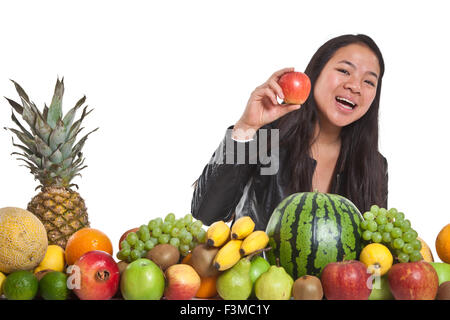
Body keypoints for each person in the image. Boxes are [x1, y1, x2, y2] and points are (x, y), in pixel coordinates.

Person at [191, 34, 388, 231]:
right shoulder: (267, 140)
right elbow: (207, 213)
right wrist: (246, 127)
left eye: (369, 82)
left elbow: (373, 248)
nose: (355, 86)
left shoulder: (374, 165)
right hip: (258, 262)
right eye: (344, 71)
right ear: (316, 72)